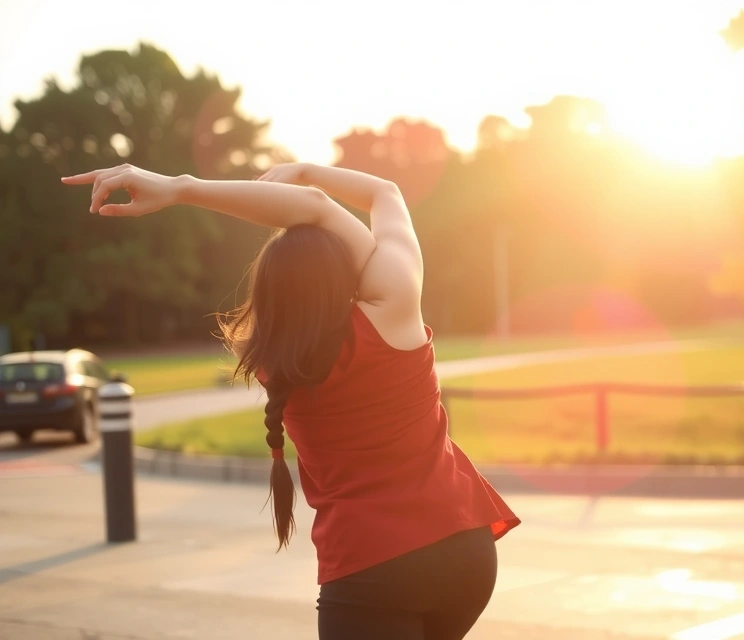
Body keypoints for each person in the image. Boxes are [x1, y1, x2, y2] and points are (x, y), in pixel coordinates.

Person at [62, 163, 520, 639]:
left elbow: (317, 225)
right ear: (351, 270)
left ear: (268, 293)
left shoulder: (270, 365)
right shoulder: (395, 308)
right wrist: (193, 187)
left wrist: (187, 193)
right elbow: (375, 196)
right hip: (462, 551)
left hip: (372, 571)